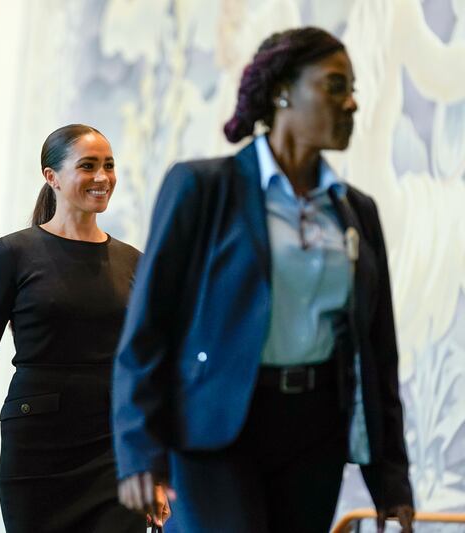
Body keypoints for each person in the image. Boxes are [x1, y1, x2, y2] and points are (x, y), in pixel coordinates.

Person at [112, 27, 414, 533]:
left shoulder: (355, 212)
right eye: (336, 86)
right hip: (215, 429)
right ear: (283, 91)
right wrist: (138, 446)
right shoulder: (203, 188)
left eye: (353, 89)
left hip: (316, 434)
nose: (353, 104)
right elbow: (149, 327)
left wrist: (392, 477)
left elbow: (378, 350)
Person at [0, 124, 169, 532]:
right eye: (88, 166)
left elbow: (146, 372)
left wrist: (154, 466)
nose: (102, 178)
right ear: (51, 177)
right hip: (37, 446)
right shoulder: (12, 253)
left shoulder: (135, 262)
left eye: (109, 166)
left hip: (112, 449)